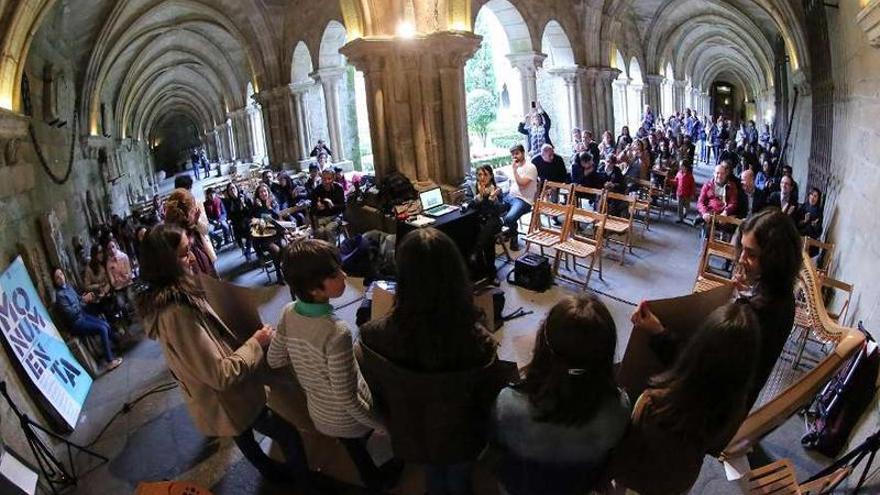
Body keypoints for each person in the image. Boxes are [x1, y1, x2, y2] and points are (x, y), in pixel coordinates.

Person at [136, 224, 312, 490]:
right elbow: (220, 374)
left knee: (243, 435)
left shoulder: (176, 296)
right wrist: (256, 341)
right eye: (185, 253)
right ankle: (306, 485)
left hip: (219, 397)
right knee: (288, 435)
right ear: (165, 262)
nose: (192, 257)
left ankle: (272, 473)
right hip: (229, 395)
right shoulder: (177, 313)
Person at [357, 228, 508, 495]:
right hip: (462, 438)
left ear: (402, 277)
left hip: (410, 434)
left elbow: (374, 391)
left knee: (433, 474)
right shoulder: (480, 342)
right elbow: (492, 401)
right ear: (456, 275)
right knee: (458, 479)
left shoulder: (372, 335)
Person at [268, 240, 402, 492]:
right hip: (346, 417)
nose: (343, 275)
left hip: (319, 413)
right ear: (314, 288)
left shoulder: (287, 312)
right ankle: (381, 478)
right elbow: (347, 397)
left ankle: (371, 476)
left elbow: (275, 359)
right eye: (334, 274)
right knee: (383, 422)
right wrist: (380, 424)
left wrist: (305, 359)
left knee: (356, 452)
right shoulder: (336, 332)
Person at [633, 208, 802, 409]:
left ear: (774, 260)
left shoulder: (754, 314)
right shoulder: (783, 297)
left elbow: (695, 370)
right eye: (742, 249)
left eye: (751, 254)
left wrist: (657, 332)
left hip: (710, 410)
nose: (741, 259)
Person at [612, 302, 761, 495]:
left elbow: (626, 454)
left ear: (698, 347)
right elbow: (716, 446)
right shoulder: (736, 408)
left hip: (637, 480)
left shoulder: (653, 402)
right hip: (681, 480)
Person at [488, 295, 630, 495]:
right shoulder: (619, 407)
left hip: (519, 487)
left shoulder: (508, 402)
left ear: (542, 344)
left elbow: (496, 447)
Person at [53, 267, 123, 371]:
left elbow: (79, 299)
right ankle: (110, 361)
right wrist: (82, 302)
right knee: (102, 329)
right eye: (57, 277)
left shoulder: (68, 287)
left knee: (105, 324)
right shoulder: (60, 296)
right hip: (76, 322)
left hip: (83, 315)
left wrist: (86, 297)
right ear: (55, 281)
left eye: (61, 274)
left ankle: (114, 348)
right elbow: (71, 313)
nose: (61, 278)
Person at [164, 188, 218, 278]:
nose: (194, 211)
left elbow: (206, 230)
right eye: (192, 210)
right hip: (195, 266)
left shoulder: (190, 223)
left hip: (202, 258)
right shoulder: (177, 232)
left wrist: (196, 222)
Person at [469, 165, 503, 283]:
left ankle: (476, 252)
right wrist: (479, 197)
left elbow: (500, 211)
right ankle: (486, 271)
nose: (482, 177)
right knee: (485, 237)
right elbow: (468, 205)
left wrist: (492, 199)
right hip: (479, 220)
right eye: (479, 175)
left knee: (489, 228)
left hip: (493, 220)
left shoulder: (496, 189)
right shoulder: (473, 188)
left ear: (491, 176)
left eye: (485, 175)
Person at [501, 144, 538, 251]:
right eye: (513, 154)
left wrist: (514, 170)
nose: (515, 156)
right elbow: (512, 183)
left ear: (523, 153)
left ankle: (513, 236)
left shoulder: (530, 167)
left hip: (524, 200)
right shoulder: (516, 167)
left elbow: (522, 183)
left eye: (517, 153)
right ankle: (508, 233)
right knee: (493, 208)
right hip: (511, 196)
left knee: (509, 218)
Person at [174, 174, 216, 263]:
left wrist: (196, 221)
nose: (187, 193)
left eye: (188, 189)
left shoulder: (197, 204)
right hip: (185, 247)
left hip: (201, 244)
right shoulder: (173, 210)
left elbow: (206, 229)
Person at [311, 168, 346, 243]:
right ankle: (324, 250)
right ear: (321, 178)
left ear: (333, 178)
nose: (326, 181)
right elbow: (312, 209)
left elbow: (344, 207)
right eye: (324, 179)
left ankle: (332, 250)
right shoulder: (317, 190)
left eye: (329, 179)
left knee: (328, 229)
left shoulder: (338, 188)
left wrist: (333, 205)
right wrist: (317, 208)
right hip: (322, 217)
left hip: (336, 216)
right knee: (320, 232)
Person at [222, 182, 254, 260]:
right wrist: (231, 209)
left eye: (233, 188)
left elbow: (251, 211)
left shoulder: (244, 197)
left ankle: (248, 250)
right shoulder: (227, 202)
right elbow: (228, 216)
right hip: (236, 223)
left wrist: (244, 204)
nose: (232, 191)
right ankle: (245, 249)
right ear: (228, 192)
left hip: (247, 221)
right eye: (230, 189)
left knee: (249, 230)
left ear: (236, 189)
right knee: (238, 229)